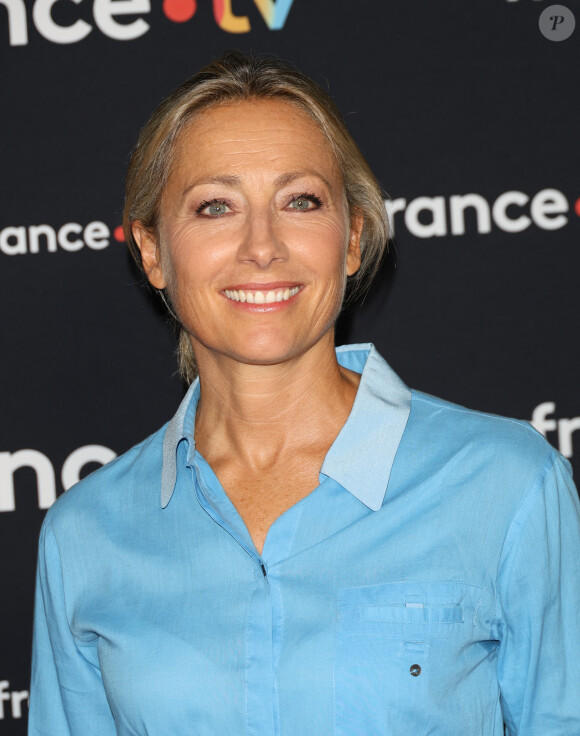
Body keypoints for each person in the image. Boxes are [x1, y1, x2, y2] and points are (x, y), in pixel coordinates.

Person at [29, 51, 580, 735]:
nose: (262, 246)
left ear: (351, 239)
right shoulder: (85, 536)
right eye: (215, 206)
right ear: (151, 250)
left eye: (300, 201)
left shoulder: (509, 485)